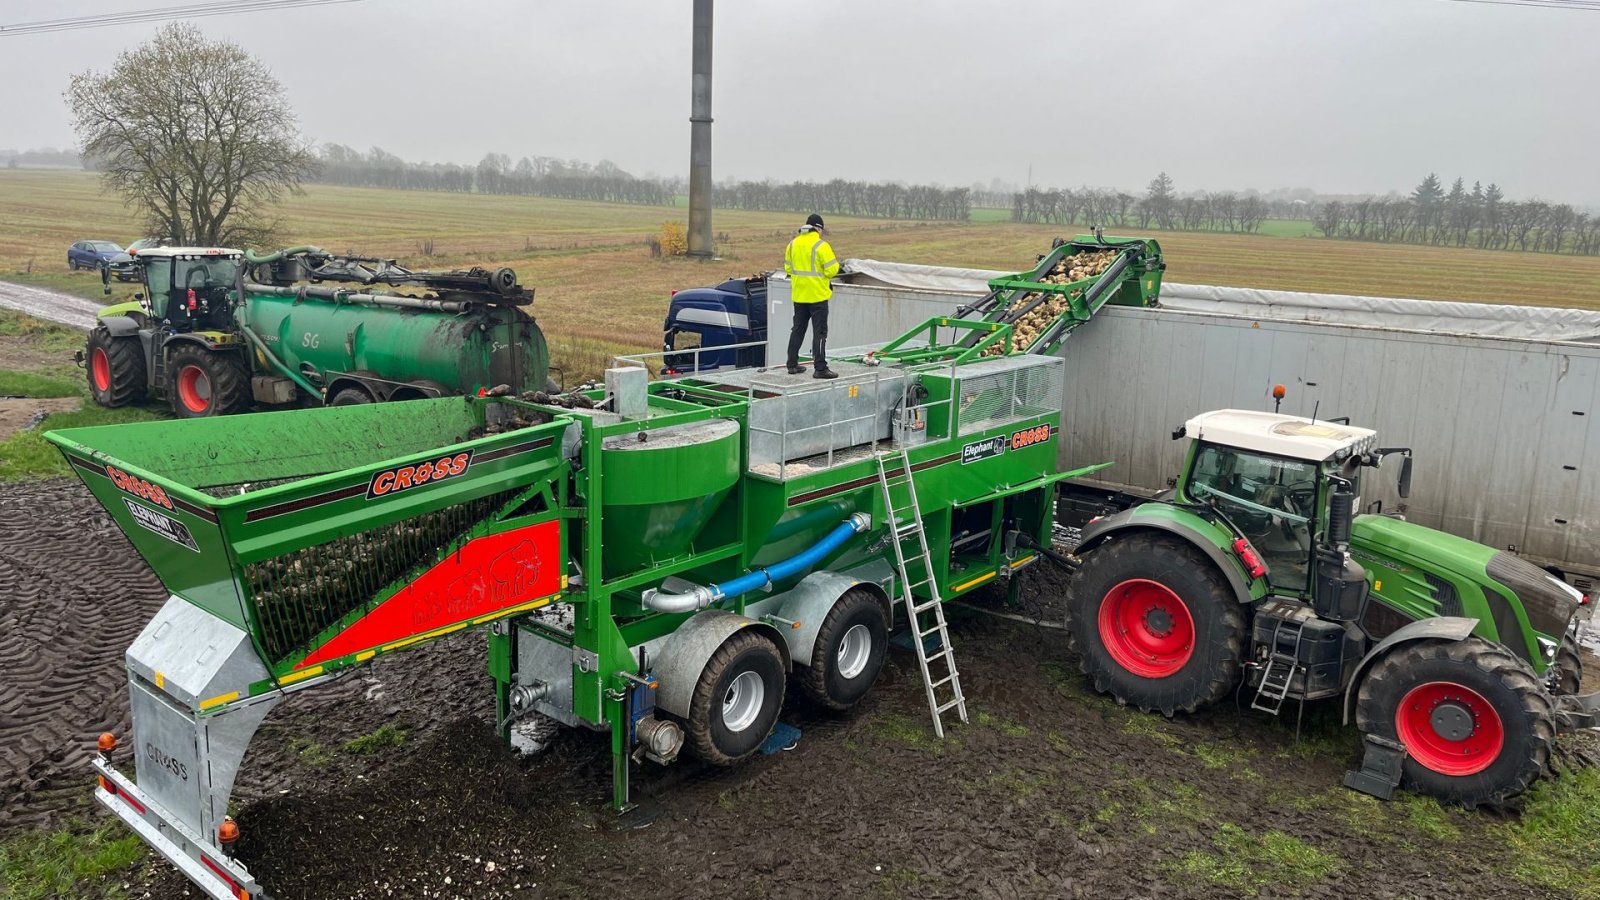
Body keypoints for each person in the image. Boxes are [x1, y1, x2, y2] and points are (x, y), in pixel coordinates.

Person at [783, 213, 842, 379]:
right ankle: (820, 368)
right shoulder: (821, 246)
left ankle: (792, 364)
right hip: (817, 297)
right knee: (820, 333)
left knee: (797, 330)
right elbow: (832, 270)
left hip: (799, 296)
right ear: (818, 228)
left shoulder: (792, 244)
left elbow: (788, 269)